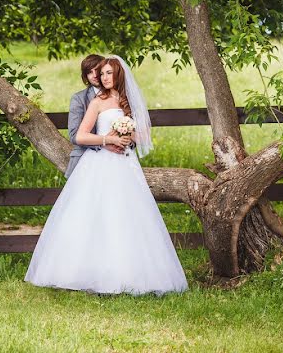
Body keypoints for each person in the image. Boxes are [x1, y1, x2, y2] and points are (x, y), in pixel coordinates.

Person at [25, 56, 188, 296]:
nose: (104, 78)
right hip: (99, 164)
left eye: (109, 73)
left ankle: (130, 275)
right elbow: (80, 136)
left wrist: (128, 134)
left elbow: (144, 136)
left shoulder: (129, 102)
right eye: (102, 74)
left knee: (128, 217)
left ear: (119, 74)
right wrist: (107, 139)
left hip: (126, 164)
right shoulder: (97, 102)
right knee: (94, 215)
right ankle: (86, 273)